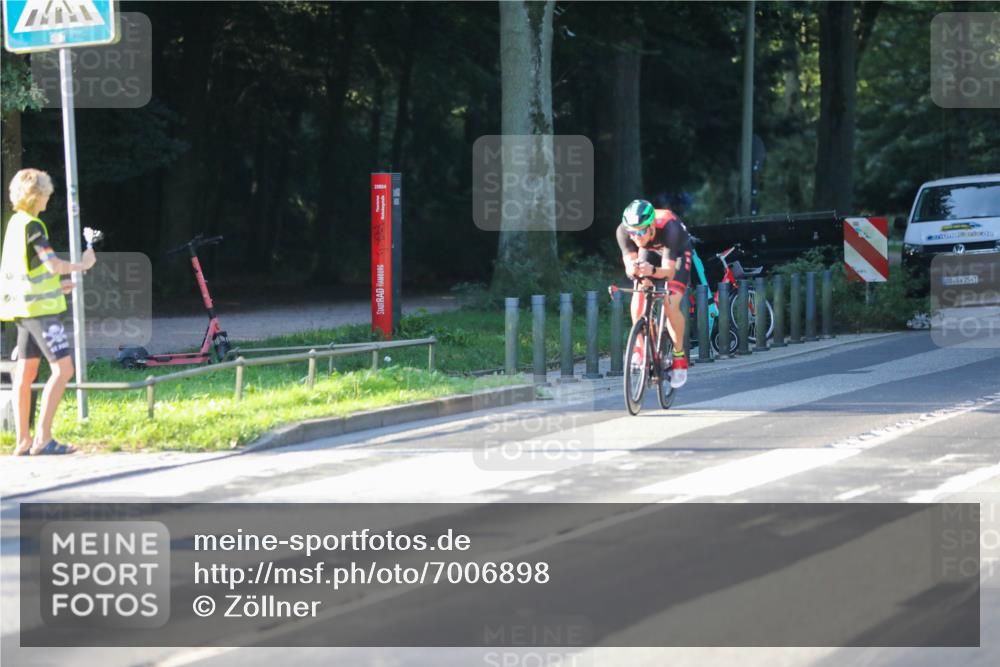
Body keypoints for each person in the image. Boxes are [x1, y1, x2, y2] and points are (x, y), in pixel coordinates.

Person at [0, 169, 96, 455]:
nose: (48, 198)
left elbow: (31, 270)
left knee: (25, 373)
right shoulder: (34, 226)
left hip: (22, 309)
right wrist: (83, 265)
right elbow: (52, 265)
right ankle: (43, 438)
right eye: (46, 194)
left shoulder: (15, 224)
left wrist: (57, 287)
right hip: (40, 313)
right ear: (36, 195)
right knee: (64, 369)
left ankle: (23, 440)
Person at [616, 198, 693, 389]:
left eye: (641, 231)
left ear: (651, 226)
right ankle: (641, 347)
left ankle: (679, 355)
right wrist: (635, 269)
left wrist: (651, 270)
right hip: (649, 251)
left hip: (677, 252)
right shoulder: (623, 231)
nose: (636, 237)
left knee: (670, 302)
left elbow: (668, 273)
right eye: (632, 232)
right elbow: (629, 266)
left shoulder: (670, 228)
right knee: (639, 292)